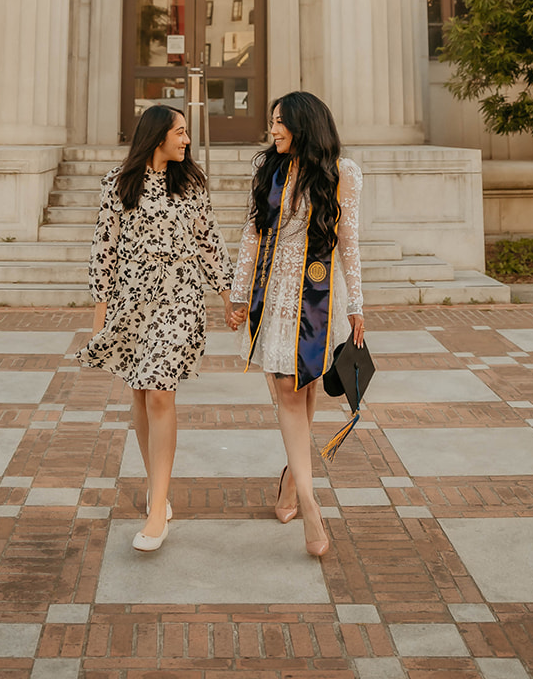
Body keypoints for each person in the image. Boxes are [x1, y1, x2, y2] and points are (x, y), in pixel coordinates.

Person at [77, 104, 237, 552]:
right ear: (157, 137)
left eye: (187, 133)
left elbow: (209, 240)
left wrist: (227, 297)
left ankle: (157, 511)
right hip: (132, 300)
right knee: (141, 395)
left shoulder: (192, 184)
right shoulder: (118, 184)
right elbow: (103, 251)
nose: (187, 140)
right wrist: (100, 323)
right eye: (181, 133)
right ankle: (156, 486)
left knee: (160, 391)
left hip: (181, 297)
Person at [229, 92, 364, 559]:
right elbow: (252, 231)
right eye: (271, 122)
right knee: (287, 389)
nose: (273, 130)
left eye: (280, 122)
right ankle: (309, 501)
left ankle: (291, 480)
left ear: (305, 125)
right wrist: (237, 293)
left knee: (304, 390)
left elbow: (350, 242)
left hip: (320, 299)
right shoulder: (267, 168)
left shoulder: (342, 173)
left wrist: (358, 307)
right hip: (275, 294)